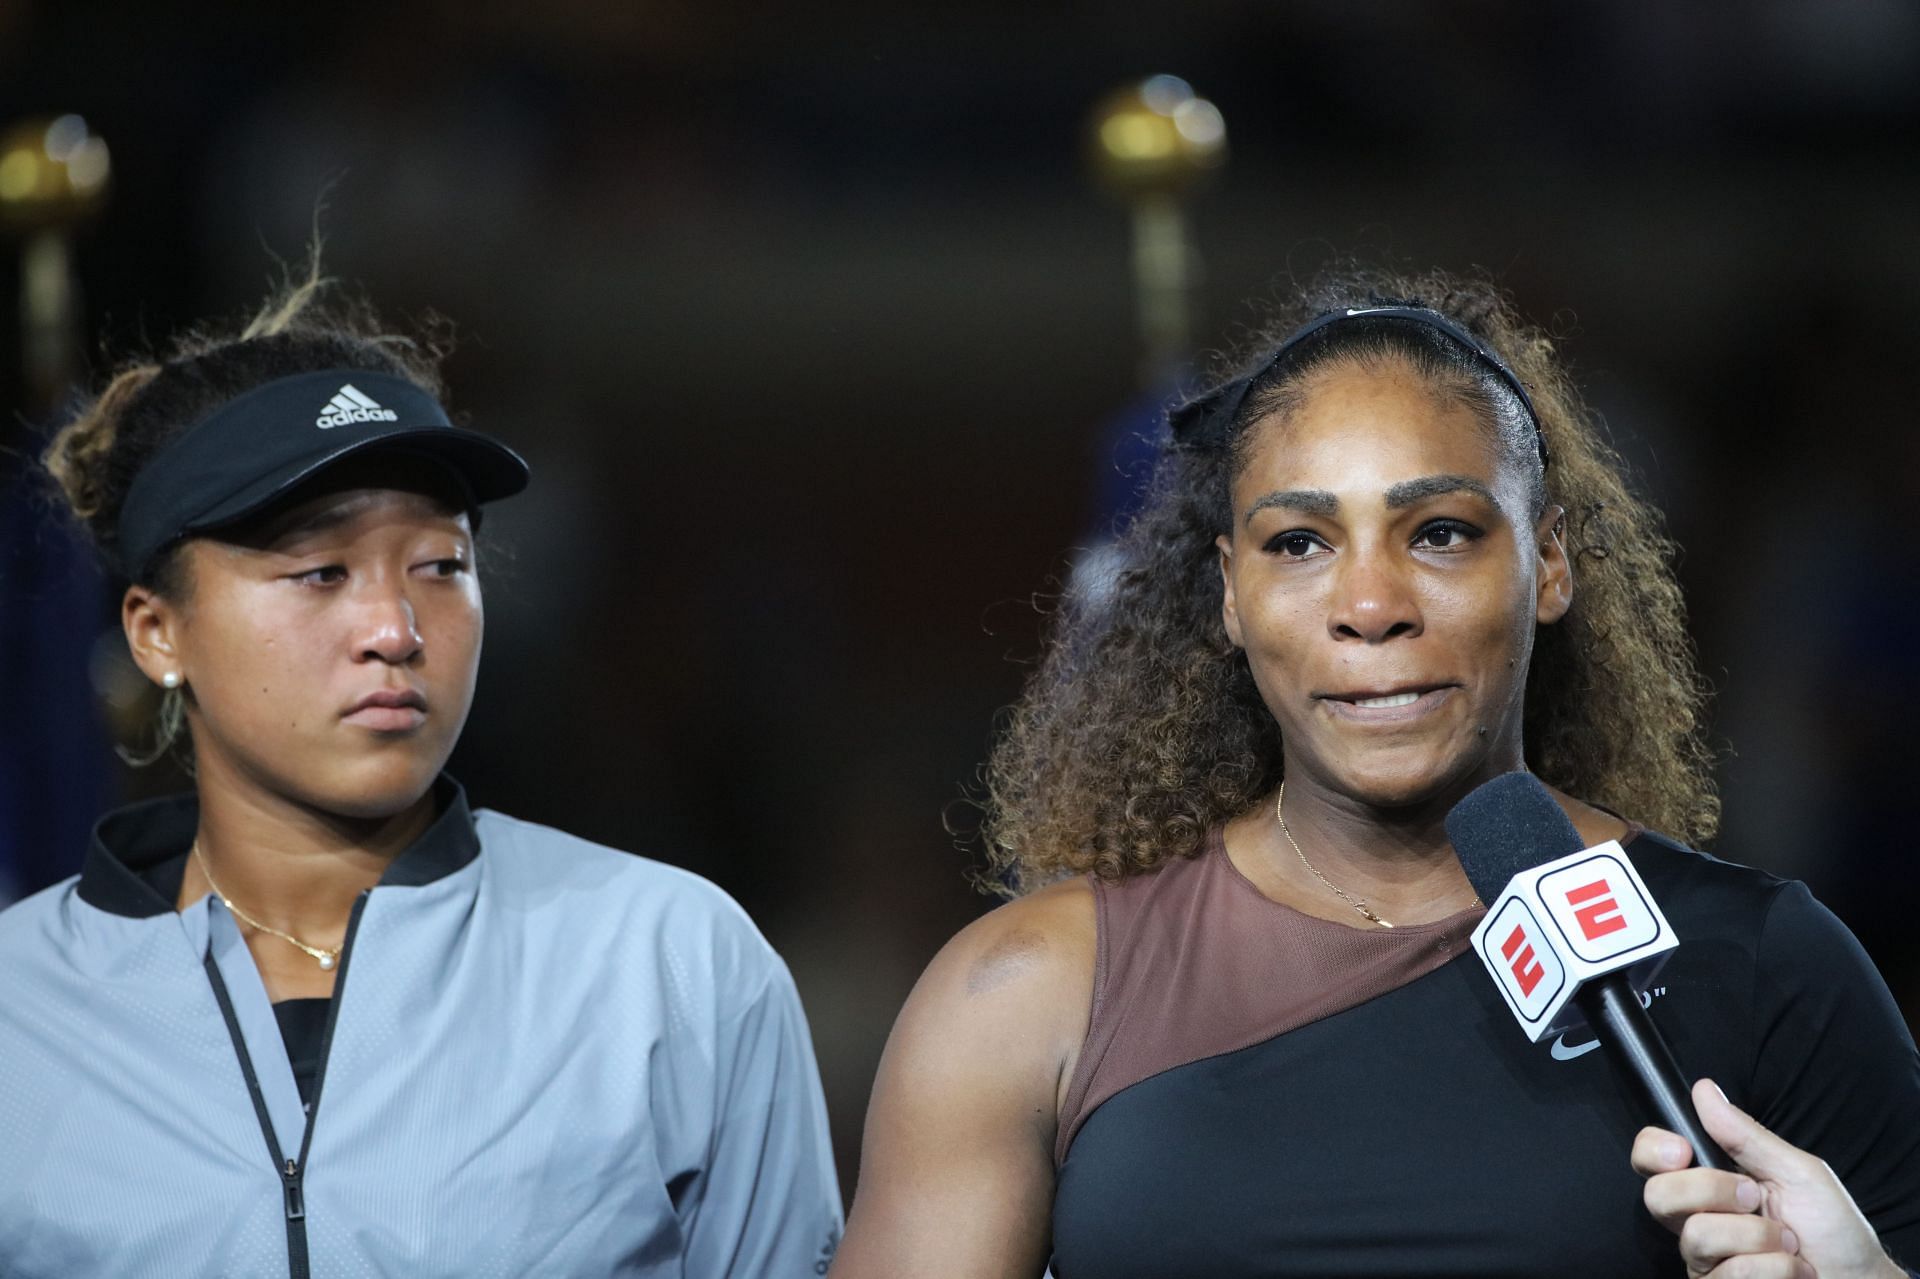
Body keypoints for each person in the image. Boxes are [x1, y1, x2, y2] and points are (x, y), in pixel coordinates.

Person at [830, 268, 1920, 1277]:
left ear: (1548, 562)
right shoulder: (1027, 991)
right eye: (1299, 543)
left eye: (1440, 532)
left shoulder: (1768, 964)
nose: (1371, 605)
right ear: (1227, 594)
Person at [0, 269, 843, 1277]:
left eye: (442, 566)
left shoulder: (673, 962)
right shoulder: (17, 1002)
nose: (396, 631)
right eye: (320, 572)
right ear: (155, 629)